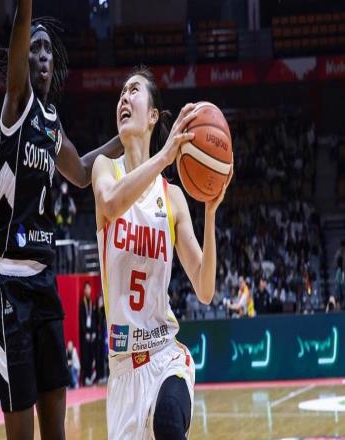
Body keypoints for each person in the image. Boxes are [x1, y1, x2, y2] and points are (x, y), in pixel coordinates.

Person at [0, 1, 123, 438]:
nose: (43, 56)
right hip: (11, 282)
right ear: (21, 58)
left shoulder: (50, 123)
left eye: (48, 50)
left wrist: (127, 138)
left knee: (56, 430)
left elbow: (82, 173)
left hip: (45, 284)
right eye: (35, 48)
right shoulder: (16, 104)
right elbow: (21, 26)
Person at [92, 67, 232, 439]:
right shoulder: (105, 170)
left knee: (169, 421)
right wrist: (165, 156)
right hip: (123, 372)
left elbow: (205, 289)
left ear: (153, 115)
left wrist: (210, 214)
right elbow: (110, 203)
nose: (124, 98)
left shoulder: (172, 197)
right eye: (121, 93)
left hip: (165, 355)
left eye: (133, 91)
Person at [79, 281, 96, 385]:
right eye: (86, 289)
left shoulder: (92, 303)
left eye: (89, 288)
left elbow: (93, 318)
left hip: (91, 333)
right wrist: (85, 332)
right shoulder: (82, 303)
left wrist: (93, 331)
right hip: (84, 334)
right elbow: (82, 319)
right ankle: (85, 377)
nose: (88, 290)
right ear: (84, 290)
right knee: (85, 356)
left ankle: (90, 376)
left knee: (91, 355)